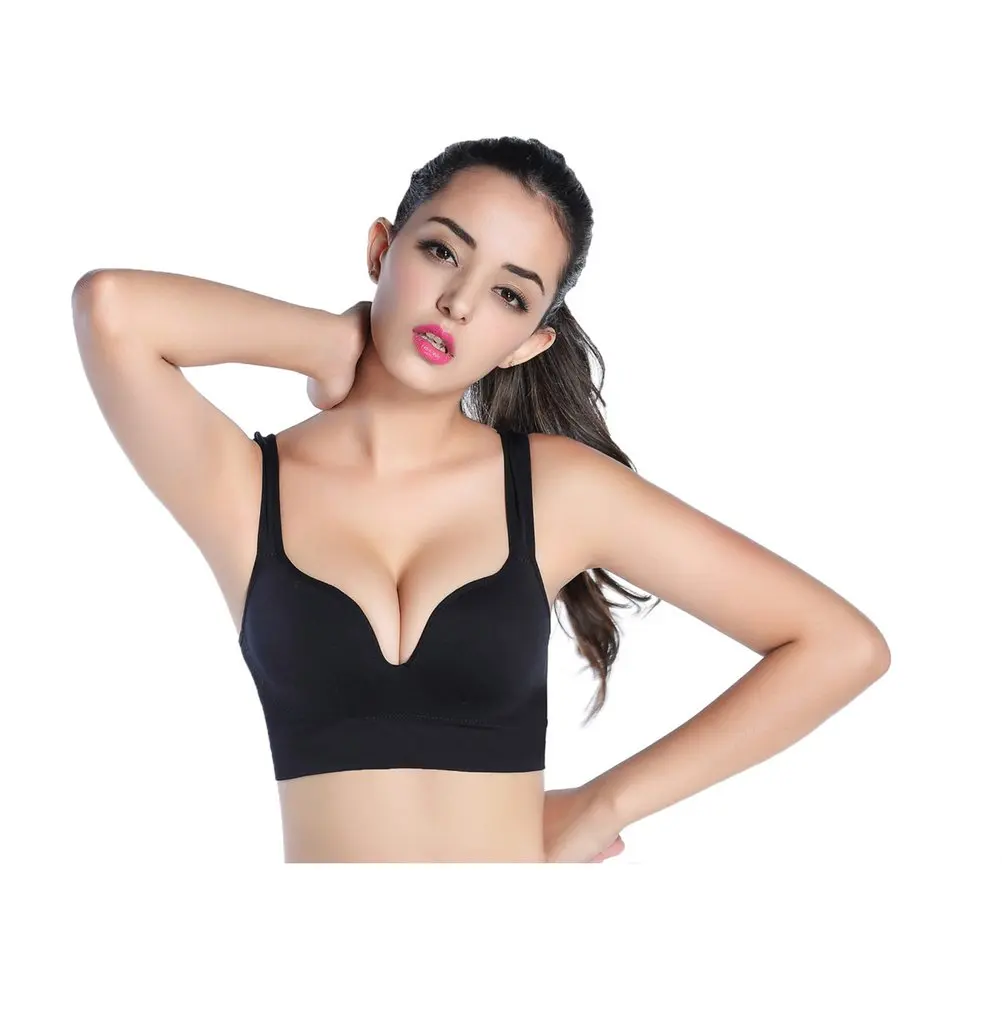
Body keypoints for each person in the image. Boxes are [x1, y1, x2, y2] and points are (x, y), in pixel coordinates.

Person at [71, 136, 891, 863]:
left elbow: (838, 646)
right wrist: (323, 342)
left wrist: (599, 806)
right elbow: (111, 307)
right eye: (441, 251)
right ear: (381, 248)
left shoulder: (558, 490)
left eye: (510, 295)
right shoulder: (247, 489)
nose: (459, 303)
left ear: (530, 342)